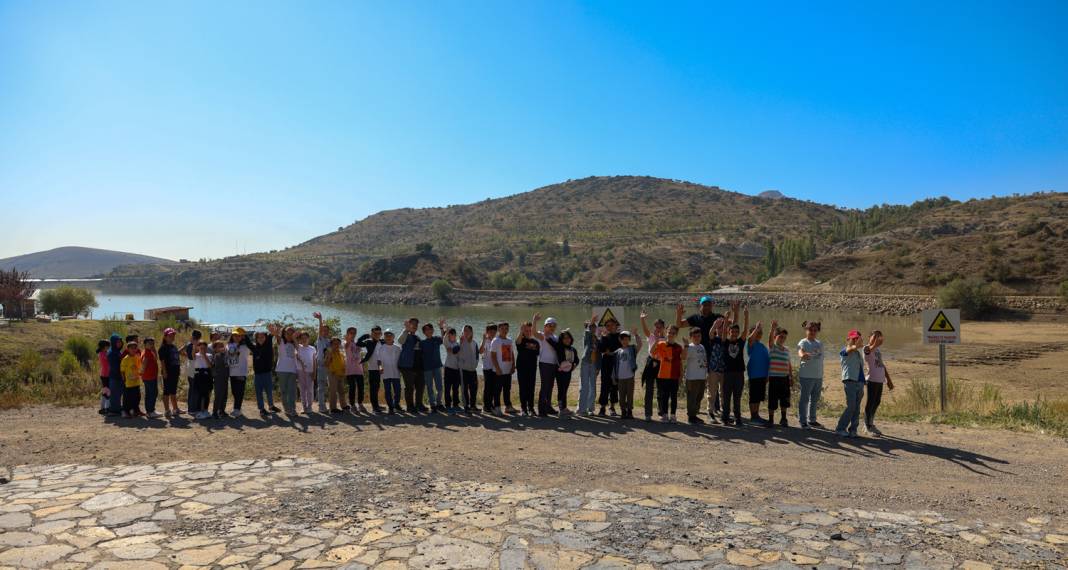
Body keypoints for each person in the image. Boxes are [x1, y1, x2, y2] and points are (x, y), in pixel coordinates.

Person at [675, 296, 726, 419]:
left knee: (712, 382)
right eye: (705, 304)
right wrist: (678, 314)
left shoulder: (716, 317)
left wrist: (735, 313)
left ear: (712, 306)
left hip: (713, 354)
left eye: (709, 304)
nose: (707, 307)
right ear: (700, 306)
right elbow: (679, 325)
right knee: (699, 383)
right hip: (697, 354)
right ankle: (697, 411)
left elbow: (730, 323)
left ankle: (715, 408)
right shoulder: (695, 318)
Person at [835, 329, 866, 437]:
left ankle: (853, 430)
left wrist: (863, 382)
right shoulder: (845, 350)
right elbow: (848, 350)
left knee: (856, 408)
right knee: (851, 406)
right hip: (850, 381)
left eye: (858, 338)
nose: (856, 341)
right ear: (848, 340)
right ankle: (840, 428)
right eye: (854, 339)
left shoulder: (858, 353)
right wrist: (855, 345)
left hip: (859, 382)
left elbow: (860, 368)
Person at [721, 305, 749, 426]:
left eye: (736, 332)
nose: (735, 333)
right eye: (732, 331)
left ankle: (738, 418)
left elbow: (745, 331)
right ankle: (725, 418)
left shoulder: (740, 342)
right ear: (729, 332)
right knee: (726, 397)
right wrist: (726, 320)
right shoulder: (725, 342)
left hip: (739, 374)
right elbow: (723, 333)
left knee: (737, 397)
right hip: (727, 373)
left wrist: (746, 316)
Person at [863, 331, 894, 436]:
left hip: (880, 380)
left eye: (879, 336)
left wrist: (889, 380)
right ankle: (867, 426)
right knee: (870, 402)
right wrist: (875, 344)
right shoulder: (866, 348)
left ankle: (870, 423)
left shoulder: (878, 350)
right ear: (869, 337)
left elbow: (882, 365)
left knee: (877, 402)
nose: (877, 338)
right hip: (871, 379)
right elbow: (868, 352)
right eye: (874, 336)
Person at [650, 325, 683, 423]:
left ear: (676, 334)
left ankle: (673, 415)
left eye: (673, 333)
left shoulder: (678, 347)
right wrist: (656, 340)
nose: (671, 334)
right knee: (664, 396)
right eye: (669, 332)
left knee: (673, 397)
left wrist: (681, 375)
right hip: (663, 375)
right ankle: (664, 414)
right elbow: (652, 352)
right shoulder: (661, 344)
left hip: (674, 375)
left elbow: (681, 361)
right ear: (666, 332)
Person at [796, 320, 824, 429]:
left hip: (818, 376)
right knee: (804, 399)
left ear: (817, 331)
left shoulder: (820, 343)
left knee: (815, 399)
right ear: (806, 330)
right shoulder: (803, 342)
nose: (812, 332)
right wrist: (803, 355)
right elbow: (800, 351)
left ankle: (812, 420)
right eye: (810, 330)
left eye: (814, 330)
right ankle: (803, 421)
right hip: (806, 376)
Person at [639, 310, 665, 422]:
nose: (658, 329)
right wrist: (642, 319)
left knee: (661, 390)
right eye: (656, 327)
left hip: (662, 364)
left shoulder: (666, 338)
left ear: (663, 328)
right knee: (649, 389)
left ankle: (662, 413)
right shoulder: (651, 336)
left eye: (660, 327)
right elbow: (645, 330)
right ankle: (648, 414)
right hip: (651, 363)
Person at [398, 317, 427, 414]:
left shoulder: (417, 337)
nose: (414, 326)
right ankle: (410, 406)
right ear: (408, 324)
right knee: (409, 387)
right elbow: (400, 341)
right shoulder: (405, 334)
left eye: (416, 324)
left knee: (420, 386)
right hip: (407, 366)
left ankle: (419, 404)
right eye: (412, 324)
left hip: (418, 366)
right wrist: (406, 329)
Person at [532, 314, 559, 417]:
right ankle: (541, 409)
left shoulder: (555, 337)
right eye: (549, 325)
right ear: (545, 326)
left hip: (553, 364)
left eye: (553, 326)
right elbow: (534, 332)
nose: (551, 327)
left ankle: (548, 407)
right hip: (544, 363)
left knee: (550, 386)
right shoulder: (542, 335)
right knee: (545, 386)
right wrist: (534, 321)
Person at [766, 323, 793, 428]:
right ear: (775, 337)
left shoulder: (787, 350)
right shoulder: (773, 347)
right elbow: (769, 341)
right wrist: (772, 329)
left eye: (784, 337)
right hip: (774, 378)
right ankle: (771, 420)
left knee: (784, 399)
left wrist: (790, 377)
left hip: (785, 378)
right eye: (780, 337)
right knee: (772, 399)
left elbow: (789, 364)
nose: (782, 339)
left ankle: (783, 418)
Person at [249, 329, 279, 416]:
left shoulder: (268, 345)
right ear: (256, 339)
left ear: (265, 338)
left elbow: (270, 336)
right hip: (258, 374)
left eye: (263, 337)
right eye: (259, 337)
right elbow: (247, 342)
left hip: (267, 373)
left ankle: (271, 406)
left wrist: (272, 331)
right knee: (259, 392)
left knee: (269, 391)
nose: (261, 338)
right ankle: (261, 409)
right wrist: (243, 334)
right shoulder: (254, 348)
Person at [597, 317, 622, 417]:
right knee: (605, 385)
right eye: (607, 326)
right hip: (606, 363)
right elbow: (601, 349)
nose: (610, 327)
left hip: (617, 363)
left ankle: (612, 407)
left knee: (615, 386)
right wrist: (603, 338)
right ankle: (602, 407)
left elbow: (622, 348)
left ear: (616, 325)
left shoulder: (621, 336)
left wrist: (611, 352)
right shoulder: (604, 336)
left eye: (612, 325)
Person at [489, 322, 516, 417]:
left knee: (507, 389)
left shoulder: (509, 340)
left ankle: (508, 406)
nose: (505, 330)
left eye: (506, 328)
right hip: (498, 371)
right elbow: (493, 356)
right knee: (497, 390)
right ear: (499, 329)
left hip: (508, 370)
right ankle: (496, 408)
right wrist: (497, 368)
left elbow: (512, 353)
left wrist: (513, 365)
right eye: (503, 328)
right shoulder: (496, 340)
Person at [272, 324, 300, 416]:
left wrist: (294, 338)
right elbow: (277, 336)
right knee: (284, 390)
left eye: (292, 333)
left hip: (292, 370)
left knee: (292, 390)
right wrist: (277, 332)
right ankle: (286, 408)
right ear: (284, 333)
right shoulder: (281, 342)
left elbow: (298, 349)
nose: (289, 335)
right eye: (287, 333)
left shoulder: (294, 343)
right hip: (282, 369)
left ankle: (292, 408)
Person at [420, 320, 447, 413]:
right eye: (426, 330)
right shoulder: (422, 343)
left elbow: (444, 337)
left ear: (433, 330)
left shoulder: (436, 339)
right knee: (430, 387)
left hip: (437, 367)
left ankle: (439, 403)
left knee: (440, 387)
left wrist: (441, 327)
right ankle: (433, 404)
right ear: (424, 332)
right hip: (427, 368)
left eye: (430, 329)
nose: (429, 331)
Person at [746, 321, 770, 424]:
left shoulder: (763, 346)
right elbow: (750, 338)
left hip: (763, 375)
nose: (759, 334)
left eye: (760, 333)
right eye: (757, 333)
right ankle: (753, 417)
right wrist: (756, 328)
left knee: (759, 396)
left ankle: (757, 415)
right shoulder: (750, 344)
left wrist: (767, 375)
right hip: (754, 375)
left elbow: (768, 361)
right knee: (754, 396)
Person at [515, 321, 540, 416]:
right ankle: (523, 408)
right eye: (526, 330)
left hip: (532, 369)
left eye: (529, 330)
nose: (528, 332)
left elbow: (537, 355)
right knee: (523, 388)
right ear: (523, 331)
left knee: (531, 389)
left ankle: (531, 408)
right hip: (522, 369)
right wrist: (521, 332)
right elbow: (517, 342)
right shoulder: (521, 340)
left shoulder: (536, 342)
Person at [374, 329, 403, 414]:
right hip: (385, 373)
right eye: (386, 335)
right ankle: (390, 407)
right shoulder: (381, 348)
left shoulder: (398, 348)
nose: (388, 337)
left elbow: (401, 360)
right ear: (384, 337)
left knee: (398, 390)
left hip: (396, 372)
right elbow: (379, 361)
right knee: (388, 391)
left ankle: (395, 404)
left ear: (393, 337)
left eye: (390, 335)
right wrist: (380, 367)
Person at [613, 331, 640, 420]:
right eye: (623, 339)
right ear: (620, 340)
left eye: (627, 339)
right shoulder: (617, 351)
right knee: (621, 395)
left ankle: (630, 411)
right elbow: (614, 365)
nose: (625, 341)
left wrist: (636, 335)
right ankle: (623, 411)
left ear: (629, 340)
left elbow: (640, 345)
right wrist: (614, 377)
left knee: (630, 395)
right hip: (620, 377)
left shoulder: (632, 349)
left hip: (630, 376)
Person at [683, 327, 708, 424]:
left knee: (699, 396)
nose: (697, 338)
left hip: (701, 377)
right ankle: (691, 417)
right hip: (692, 377)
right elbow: (684, 357)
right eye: (695, 336)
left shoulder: (702, 347)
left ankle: (694, 414)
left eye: (699, 336)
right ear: (691, 337)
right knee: (692, 398)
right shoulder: (690, 347)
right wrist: (685, 346)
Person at [226, 327, 251, 418]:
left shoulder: (245, 346)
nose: (237, 337)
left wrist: (245, 338)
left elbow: (252, 347)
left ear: (242, 337)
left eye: (239, 336)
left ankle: (237, 409)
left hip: (241, 372)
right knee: (234, 391)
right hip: (232, 372)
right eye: (235, 335)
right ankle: (237, 408)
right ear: (232, 335)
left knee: (239, 391)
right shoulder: (228, 345)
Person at [358, 326, 384, 413]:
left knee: (377, 387)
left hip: (382, 368)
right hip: (372, 368)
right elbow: (358, 343)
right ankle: (375, 407)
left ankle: (376, 405)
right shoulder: (369, 342)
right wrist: (366, 335)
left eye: (379, 333)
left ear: (381, 334)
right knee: (373, 388)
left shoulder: (382, 342)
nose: (377, 335)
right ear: (372, 333)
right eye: (375, 333)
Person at [578, 314, 600, 416]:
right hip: (586, 363)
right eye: (591, 326)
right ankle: (582, 410)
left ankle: (590, 409)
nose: (593, 328)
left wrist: (598, 367)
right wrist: (591, 321)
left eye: (594, 326)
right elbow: (587, 330)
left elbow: (599, 354)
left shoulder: (597, 338)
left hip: (594, 364)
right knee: (585, 386)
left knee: (593, 387)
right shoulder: (587, 336)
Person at [706, 317, 727, 425]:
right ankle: (710, 412)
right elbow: (710, 333)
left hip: (723, 369)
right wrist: (715, 324)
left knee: (723, 392)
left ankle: (724, 413)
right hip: (713, 368)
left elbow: (724, 335)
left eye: (722, 328)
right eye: (719, 328)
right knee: (712, 391)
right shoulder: (713, 339)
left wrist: (726, 320)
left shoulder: (725, 340)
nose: (720, 330)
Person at [158, 328, 182, 418]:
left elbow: (176, 355)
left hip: (175, 372)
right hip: (167, 372)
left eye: (173, 335)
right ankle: (167, 410)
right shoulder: (163, 348)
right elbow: (162, 361)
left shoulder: (173, 346)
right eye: (170, 335)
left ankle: (175, 409)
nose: (172, 337)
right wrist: (164, 372)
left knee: (173, 391)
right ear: (165, 336)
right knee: (167, 391)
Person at [457, 325, 481, 413]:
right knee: (464, 389)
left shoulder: (474, 343)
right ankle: (466, 406)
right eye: (465, 331)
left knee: (474, 389)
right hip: (463, 370)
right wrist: (460, 342)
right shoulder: (460, 342)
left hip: (473, 370)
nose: (466, 333)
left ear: (471, 333)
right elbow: (456, 351)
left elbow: (477, 355)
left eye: (468, 331)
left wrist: (476, 363)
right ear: (462, 332)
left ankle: (473, 406)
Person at [554, 329, 579, 415]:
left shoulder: (573, 349)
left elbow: (577, 360)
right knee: (561, 390)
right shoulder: (559, 347)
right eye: (564, 338)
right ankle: (561, 409)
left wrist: (575, 366)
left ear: (571, 339)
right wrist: (561, 332)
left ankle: (564, 407)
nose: (567, 339)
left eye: (568, 337)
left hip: (568, 373)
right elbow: (549, 340)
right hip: (560, 373)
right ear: (561, 340)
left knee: (565, 390)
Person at [181, 329, 204, 414]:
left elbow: (179, 351)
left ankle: (191, 408)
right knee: (195, 387)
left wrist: (187, 356)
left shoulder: (188, 344)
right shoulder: (198, 344)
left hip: (189, 365)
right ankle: (193, 409)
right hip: (195, 366)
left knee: (192, 387)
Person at [295, 331, 317, 415]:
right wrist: (296, 335)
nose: (304, 340)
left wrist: (314, 372)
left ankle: (309, 406)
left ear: (309, 339)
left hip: (310, 371)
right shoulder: (298, 347)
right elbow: (294, 339)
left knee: (310, 390)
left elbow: (314, 362)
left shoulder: (312, 348)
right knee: (302, 390)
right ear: (300, 339)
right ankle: (304, 407)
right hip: (300, 371)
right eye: (302, 338)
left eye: (306, 338)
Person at [120, 340, 143, 418]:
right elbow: (122, 370)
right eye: (131, 348)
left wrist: (140, 373)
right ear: (128, 349)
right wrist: (124, 379)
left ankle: (135, 410)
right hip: (128, 383)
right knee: (127, 398)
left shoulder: (137, 357)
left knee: (137, 397)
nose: (133, 350)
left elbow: (140, 367)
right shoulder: (125, 359)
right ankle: (125, 411)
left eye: (135, 348)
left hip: (136, 381)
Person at [343, 327, 364, 412]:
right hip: (350, 370)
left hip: (359, 369)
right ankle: (352, 405)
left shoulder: (357, 343)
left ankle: (360, 403)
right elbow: (346, 345)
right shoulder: (345, 343)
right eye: (351, 333)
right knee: (352, 387)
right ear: (347, 334)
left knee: (360, 387)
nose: (353, 334)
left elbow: (360, 354)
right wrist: (348, 339)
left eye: (354, 333)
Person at [313, 313, 331, 414]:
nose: (325, 332)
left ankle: (323, 403)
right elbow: (319, 331)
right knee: (321, 386)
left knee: (325, 386)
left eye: (327, 330)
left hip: (328, 366)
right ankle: (321, 406)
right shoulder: (320, 340)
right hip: (321, 365)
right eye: (323, 330)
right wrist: (320, 319)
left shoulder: (328, 341)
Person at [140, 337, 161, 419]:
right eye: (149, 343)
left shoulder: (148, 351)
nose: (152, 345)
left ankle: (150, 411)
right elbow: (144, 362)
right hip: (149, 377)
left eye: (153, 343)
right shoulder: (147, 353)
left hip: (150, 376)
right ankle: (150, 411)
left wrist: (154, 349)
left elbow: (156, 358)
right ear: (145, 344)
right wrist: (141, 372)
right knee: (153, 393)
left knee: (150, 393)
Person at [480, 324, 500, 414]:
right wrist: (484, 340)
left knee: (493, 387)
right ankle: (485, 407)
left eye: (494, 331)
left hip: (494, 368)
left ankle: (490, 404)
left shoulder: (497, 341)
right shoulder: (486, 341)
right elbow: (480, 351)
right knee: (488, 387)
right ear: (487, 332)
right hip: (487, 367)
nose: (492, 333)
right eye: (490, 331)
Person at [325, 337, 347, 414]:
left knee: (342, 391)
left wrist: (344, 371)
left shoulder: (340, 353)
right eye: (335, 344)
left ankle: (343, 405)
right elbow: (326, 364)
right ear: (331, 345)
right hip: (332, 374)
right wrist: (329, 357)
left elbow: (343, 363)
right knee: (333, 392)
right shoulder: (329, 352)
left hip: (340, 374)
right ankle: (333, 408)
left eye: (338, 343)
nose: (336, 345)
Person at [443, 327, 462, 413]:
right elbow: (444, 340)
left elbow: (457, 350)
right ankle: (447, 405)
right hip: (448, 369)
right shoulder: (448, 344)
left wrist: (454, 350)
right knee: (447, 388)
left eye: (453, 335)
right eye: (450, 335)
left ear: (455, 335)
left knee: (456, 388)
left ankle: (456, 404)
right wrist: (446, 333)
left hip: (457, 370)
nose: (452, 337)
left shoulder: (458, 344)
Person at [191, 341, 213, 419]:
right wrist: (194, 346)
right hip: (198, 375)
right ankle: (199, 411)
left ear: (206, 348)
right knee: (199, 394)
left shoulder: (209, 355)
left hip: (207, 374)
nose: (202, 349)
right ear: (198, 347)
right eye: (201, 347)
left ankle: (206, 410)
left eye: (204, 347)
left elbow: (209, 365)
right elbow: (193, 355)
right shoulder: (196, 355)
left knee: (207, 394)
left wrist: (204, 355)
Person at [210, 339, 231, 419]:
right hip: (218, 378)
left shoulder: (224, 355)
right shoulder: (216, 356)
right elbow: (216, 366)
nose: (222, 348)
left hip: (225, 377)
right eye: (219, 347)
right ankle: (215, 412)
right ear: (215, 349)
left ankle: (222, 410)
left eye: (222, 346)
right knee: (218, 395)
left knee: (224, 395)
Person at [106, 334, 124, 417]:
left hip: (119, 376)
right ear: (113, 342)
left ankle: (117, 408)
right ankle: (113, 410)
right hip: (115, 376)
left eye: (120, 341)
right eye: (118, 342)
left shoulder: (117, 351)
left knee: (118, 393)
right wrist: (120, 374)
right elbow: (114, 366)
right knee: (114, 393)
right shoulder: (112, 352)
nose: (119, 343)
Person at [96, 339, 110, 415]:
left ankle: (102, 408)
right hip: (105, 375)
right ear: (104, 347)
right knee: (107, 392)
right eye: (108, 346)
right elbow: (109, 359)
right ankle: (106, 408)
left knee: (105, 391)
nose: (109, 347)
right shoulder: (103, 354)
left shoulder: (103, 353)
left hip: (104, 374)